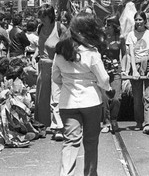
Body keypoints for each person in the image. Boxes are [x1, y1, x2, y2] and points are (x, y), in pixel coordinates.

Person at [52, 12, 111, 176]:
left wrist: (69, 82)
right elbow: (104, 79)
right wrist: (102, 86)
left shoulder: (60, 53)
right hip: (91, 101)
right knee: (91, 142)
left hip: (67, 103)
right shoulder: (91, 53)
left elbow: (56, 78)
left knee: (70, 142)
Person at [35, 4, 66, 140]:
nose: (41, 19)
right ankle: (41, 125)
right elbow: (40, 47)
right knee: (42, 98)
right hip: (43, 67)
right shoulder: (40, 28)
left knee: (55, 98)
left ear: (50, 16)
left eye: (44, 16)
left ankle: (58, 127)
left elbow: (66, 49)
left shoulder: (60, 28)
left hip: (56, 67)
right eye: (40, 16)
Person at [126, 11, 149, 134]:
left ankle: (148, 123)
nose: (138, 22)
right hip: (137, 64)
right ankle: (139, 121)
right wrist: (134, 69)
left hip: (148, 62)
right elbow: (131, 54)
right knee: (137, 97)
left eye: (140, 19)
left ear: (145, 21)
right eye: (136, 20)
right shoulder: (131, 35)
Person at [99, 15, 125, 134]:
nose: (106, 27)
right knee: (104, 98)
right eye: (105, 25)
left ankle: (114, 118)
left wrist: (123, 68)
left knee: (116, 98)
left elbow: (124, 54)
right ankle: (106, 121)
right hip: (103, 70)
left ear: (114, 26)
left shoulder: (121, 39)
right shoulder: (101, 39)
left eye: (108, 25)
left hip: (115, 71)